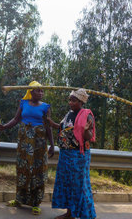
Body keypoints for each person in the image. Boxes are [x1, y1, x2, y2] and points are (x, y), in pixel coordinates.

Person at [0, 81, 55, 216]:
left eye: (42, 91)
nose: (41, 93)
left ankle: (36, 203)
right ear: (30, 92)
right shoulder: (23, 103)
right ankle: (19, 199)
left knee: (38, 171)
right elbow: (16, 119)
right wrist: (4, 126)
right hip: (24, 142)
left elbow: (48, 126)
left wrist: (52, 144)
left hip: (39, 143)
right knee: (23, 169)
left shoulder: (46, 107)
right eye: (38, 91)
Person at [46, 88, 96, 219]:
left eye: (73, 100)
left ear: (81, 102)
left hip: (78, 155)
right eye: (70, 100)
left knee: (78, 185)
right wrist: (53, 124)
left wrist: (85, 130)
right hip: (65, 154)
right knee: (67, 183)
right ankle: (70, 214)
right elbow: (63, 127)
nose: (70, 103)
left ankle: (87, 215)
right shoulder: (69, 114)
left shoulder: (87, 115)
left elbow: (88, 136)